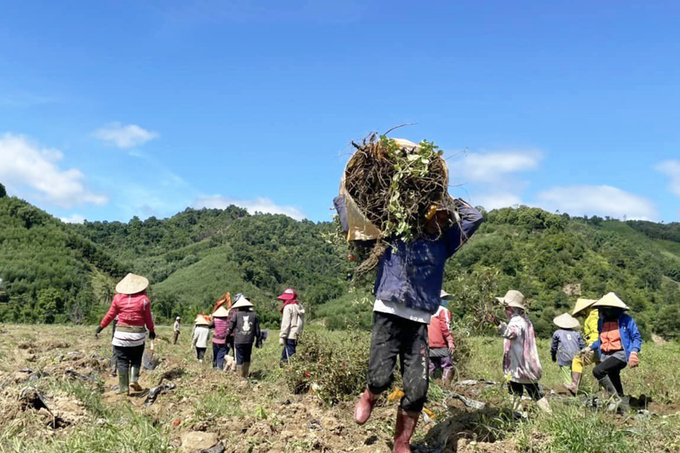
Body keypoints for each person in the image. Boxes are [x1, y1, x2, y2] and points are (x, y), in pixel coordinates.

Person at [352, 195, 483, 453]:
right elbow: (358, 224)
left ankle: (402, 443)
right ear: (424, 214)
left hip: (419, 320)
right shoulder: (394, 233)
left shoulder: (444, 244)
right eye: (437, 215)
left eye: (445, 218)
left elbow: (474, 218)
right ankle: (370, 395)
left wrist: (448, 199)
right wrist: (344, 197)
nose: (441, 221)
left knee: (418, 388)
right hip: (388, 311)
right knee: (379, 377)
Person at [96, 273, 156, 395]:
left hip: (120, 336)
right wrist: (152, 331)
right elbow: (148, 318)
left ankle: (124, 387)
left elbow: (110, 315)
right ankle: (134, 379)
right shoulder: (144, 301)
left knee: (122, 361)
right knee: (136, 358)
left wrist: (100, 327)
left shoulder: (118, 299)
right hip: (137, 336)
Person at [582, 292, 642, 413]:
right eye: (604, 309)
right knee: (615, 381)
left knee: (598, 371)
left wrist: (634, 352)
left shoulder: (626, 320)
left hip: (620, 354)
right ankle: (626, 411)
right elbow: (600, 339)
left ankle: (614, 398)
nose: (605, 311)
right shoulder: (601, 321)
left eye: (608, 309)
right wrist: (590, 347)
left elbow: (636, 337)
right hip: (606, 354)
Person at [496, 290, 552, 414]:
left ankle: (517, 416)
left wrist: (496, 322)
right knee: (534, 391)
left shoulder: (517, 321)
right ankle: (549, 414)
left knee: (515, 391)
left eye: (506, 308)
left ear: (510, 308)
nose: (505, 310)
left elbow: (510, 333)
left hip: (518, 365)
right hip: (527, 364)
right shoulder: (525, 320)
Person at [564, 298, 599, 395]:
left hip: (595, 345)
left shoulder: (592, 317)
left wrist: (591, 346)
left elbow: (595, 332)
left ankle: (574, 385)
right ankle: (603, 390)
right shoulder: (598, 314)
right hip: (602, 346)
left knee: (577, 360)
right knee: (600, 366)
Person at [226, 297, 262, 378]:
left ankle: (240, 376)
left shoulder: (236, 314)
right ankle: (245, 374)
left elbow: (230, 327)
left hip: (239, 340)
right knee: (247, 357)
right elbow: (257, 330)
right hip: (249, 340)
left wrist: (227, 337)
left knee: (239, 358)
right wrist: (258, 340)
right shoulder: (254, 315)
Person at [550, 313, 586, 391]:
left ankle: (570, 392)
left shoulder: (557, 333)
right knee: (576, 374)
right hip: (577, 356)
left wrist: (553, 356)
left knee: (567, 377)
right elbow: (582, 345)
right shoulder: (576, 333)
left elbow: (554, 347)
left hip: (564, 357)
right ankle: (576, 389)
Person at [428, 290, 456, 386]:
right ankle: (446, 387)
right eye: (443, 299)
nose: (445, 301)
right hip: (440, 343)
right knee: (448, 366)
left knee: (430, 366)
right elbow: (445, 327)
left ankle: (429, 387)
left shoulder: (427, 311)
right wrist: (450, 341)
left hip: (428, 343)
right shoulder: (443, 310)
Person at [278, 288, 305, 362]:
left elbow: (286, 324)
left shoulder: (288, 307)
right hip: (298, 334)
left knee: (290, 357)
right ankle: (283, 366)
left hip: (290, 335)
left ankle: (290, 371)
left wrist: (282, 336)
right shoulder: (300, 306)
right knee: (286, 354)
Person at [211, 304, 230, 370]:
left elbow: (209, 325)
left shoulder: (215, 320)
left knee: (215, 354)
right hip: (223, 340)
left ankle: (214, 367)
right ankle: (220, 367)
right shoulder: (228, 321)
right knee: (221, 355)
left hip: (215, 340)